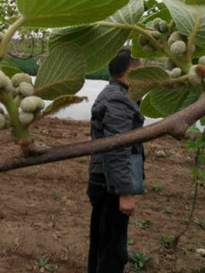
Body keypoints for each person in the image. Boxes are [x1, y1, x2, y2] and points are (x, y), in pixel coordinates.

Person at [87, 49, 145, 273]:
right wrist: (124, 192)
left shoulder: (120, 95)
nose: (147, 74)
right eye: (143, 69)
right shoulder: (117, 100)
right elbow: (117, 147)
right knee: (112, 251)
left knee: (104, 243)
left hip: (106, 180)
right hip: (109, 185)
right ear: (130, 72)